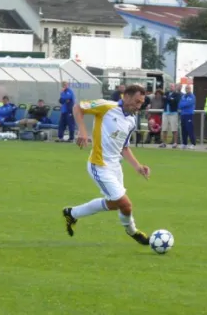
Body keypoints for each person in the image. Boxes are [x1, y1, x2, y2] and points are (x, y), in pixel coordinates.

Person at [62, 84, 151, 246]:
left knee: (117, 205)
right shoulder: (107, 106)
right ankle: (133, 231)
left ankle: (72, 213)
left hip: (115, 167)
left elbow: (124, 147)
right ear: (126, 97)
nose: (139, 106)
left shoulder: (131, 121)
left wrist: (138, 166)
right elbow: (77, 107)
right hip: (99, 165)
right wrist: (82, 130)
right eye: (137, 102)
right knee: (126, 204)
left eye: (141, 103)